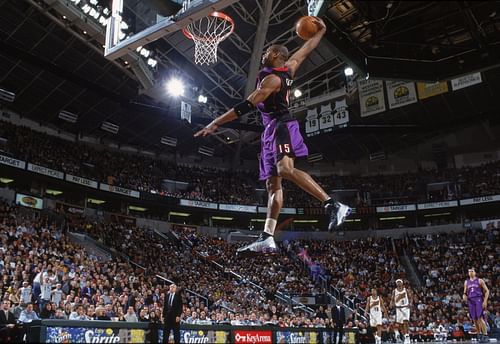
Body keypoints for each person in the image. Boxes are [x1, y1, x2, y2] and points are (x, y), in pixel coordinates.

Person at [194, 17, 351, 254]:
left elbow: (245, 106)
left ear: (277, 55)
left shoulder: (272, 79)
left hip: (281, 125)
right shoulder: (289, 67)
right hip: (270, 131)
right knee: (272, 184)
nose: (265, 53)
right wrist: (322, 31)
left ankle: (333, 205)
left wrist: (215, 122)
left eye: (268, 51)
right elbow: (307, 49)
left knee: (285, 170)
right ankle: (268, 236)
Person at [463, 268, 490, 343]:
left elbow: (487, 291)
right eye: (469, 271)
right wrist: (464, 296)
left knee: (480, 318)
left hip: (478, 299)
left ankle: (485, 335)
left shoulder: (480, 280)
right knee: (474, 319)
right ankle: (479, 334)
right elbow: (465, 292)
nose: (470, 272)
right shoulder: (466, 282)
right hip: (470, 300)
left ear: (475, 272)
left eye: (472, 271)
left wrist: (485, 301)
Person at [390, 279, 412, 344]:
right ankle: (405, 336)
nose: (398, 283)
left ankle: (407, 337)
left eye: (399, 282)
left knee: (406, 322)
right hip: (398, 308)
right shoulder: (394, 291)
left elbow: (410, 297)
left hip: (405, 307)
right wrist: (391, 303)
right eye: (397, 282)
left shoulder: (406, 290)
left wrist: (410, 303)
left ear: (402, 283)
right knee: (400, 324)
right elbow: (392, 298)